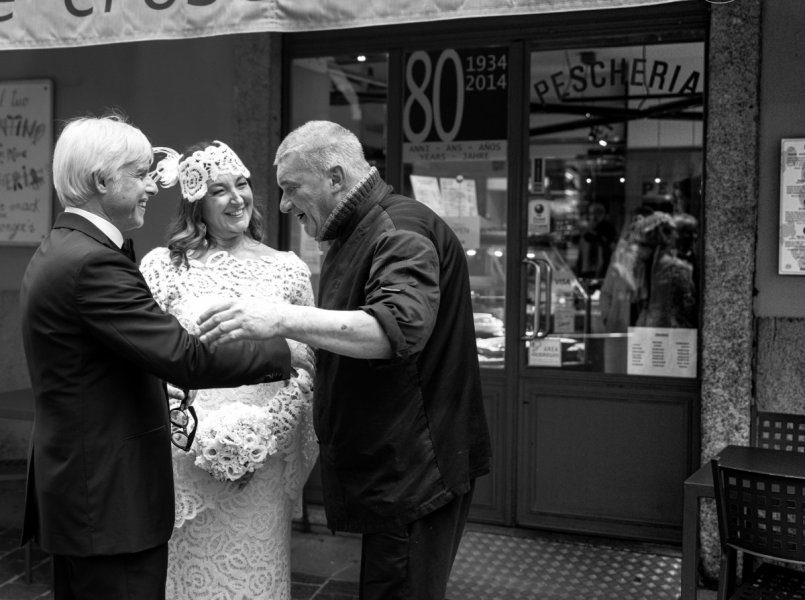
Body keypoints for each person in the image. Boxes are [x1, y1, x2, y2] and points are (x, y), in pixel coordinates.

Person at [195, 120, 493, 600]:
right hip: (398, 470)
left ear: (335, 178)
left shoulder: (399, 232)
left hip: (416, 472)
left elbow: (391, 329)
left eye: (292, 188)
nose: (285, 204)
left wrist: (280, 318)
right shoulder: (358, 229)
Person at [19, 114, 293, 600]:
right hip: (108, 503)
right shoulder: (94, 262)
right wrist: (281, 349)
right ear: (103, 180)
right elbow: (183, 357)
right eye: (141, 174)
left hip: (87, 492)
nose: (151, 186)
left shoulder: (65, 247)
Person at [140, 140, 318, 600]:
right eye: (220, 190)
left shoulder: (288, 270)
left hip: (264, 457)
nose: (237, 198)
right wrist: (200, 439)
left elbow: (309, 366)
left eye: (242, 184)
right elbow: (150, 361)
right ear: (197, 200)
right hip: (187, 453)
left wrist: (262, 436)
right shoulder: (164, 267)